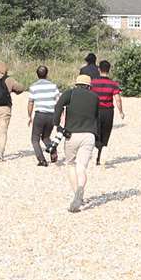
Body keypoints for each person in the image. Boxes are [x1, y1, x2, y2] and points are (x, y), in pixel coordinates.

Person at [58, 73, 100, 212]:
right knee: (81, 166)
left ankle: (77, 193)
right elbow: (97, 117)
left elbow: (58, 106)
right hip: (89, 135)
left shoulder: (69, 93)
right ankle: (80, 192)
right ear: (89, 86)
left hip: (72, 134)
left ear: (76, 84)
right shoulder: (94, 97)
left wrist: (57, 125)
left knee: (70, 164)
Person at [90, 60, 126, 165]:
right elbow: (118, 99)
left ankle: (98, 151)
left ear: (99, 69)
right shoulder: (113, 84)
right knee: (106, 133)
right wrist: (121, 112)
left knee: (96, 133)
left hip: (96, 111)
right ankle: (102, 152)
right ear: (109, 70)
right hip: (108, 111)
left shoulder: (93, 83)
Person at [26, 64, 61, 166]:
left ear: (37, 75)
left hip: (40, 115)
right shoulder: (53, 86)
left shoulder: (33, 87)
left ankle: (42, 160)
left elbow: (31, 102)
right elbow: (58, 101)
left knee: (35, 139)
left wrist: (29, 116)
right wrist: (59, 115)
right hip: (51, 115)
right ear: (47, 74)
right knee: (46, 137)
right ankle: (53, 152)